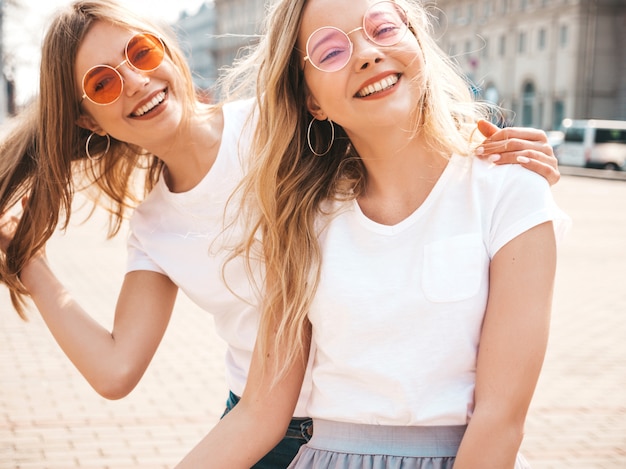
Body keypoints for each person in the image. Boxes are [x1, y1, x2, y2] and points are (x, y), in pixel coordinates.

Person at [0, 1, 560, 468]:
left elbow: (388, 119)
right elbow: (117, 369)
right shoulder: (156, 225)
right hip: (267, 423)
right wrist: (30, 264)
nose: (138, 82)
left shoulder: (277, 124)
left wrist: (489, 152)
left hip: (381, 420)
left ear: (169, 50)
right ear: (87, 120)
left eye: (142, 52)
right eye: (102, 83)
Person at [176, 0, 570, 468]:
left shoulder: (511, 191)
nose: (366, 54)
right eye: (329, 51)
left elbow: (501, 418)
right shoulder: (302, 218)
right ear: (312, 100)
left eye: (382, 29)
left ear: (417, 40)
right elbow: (259, 412)